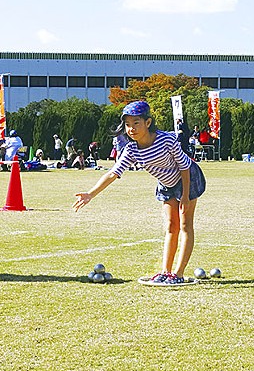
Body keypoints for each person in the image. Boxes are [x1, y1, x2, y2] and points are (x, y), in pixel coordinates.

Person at [73, 101, 206, 285]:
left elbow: (184, 167)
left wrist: (184, 196)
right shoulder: (132, 150)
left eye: (136, 123)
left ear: (148, 122)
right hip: (166, 184)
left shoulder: (166, 140)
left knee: (184, 225)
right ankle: (165, 271)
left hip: (188, 179)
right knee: (170, 226)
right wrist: (90, 194)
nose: (131, 129)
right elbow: (113, 173)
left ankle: (178, 273)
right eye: (127, 125)